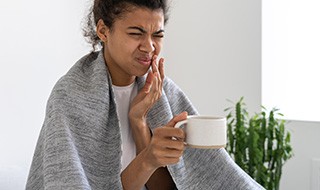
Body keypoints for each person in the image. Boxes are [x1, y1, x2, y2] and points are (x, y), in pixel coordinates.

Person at [26, 0, 264, 189]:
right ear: (103, 31)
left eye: (157, 35)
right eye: (136, 33)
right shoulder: (70, 96)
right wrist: (148, 158)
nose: (149, 46)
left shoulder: (164, 92)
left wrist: (139, 124)